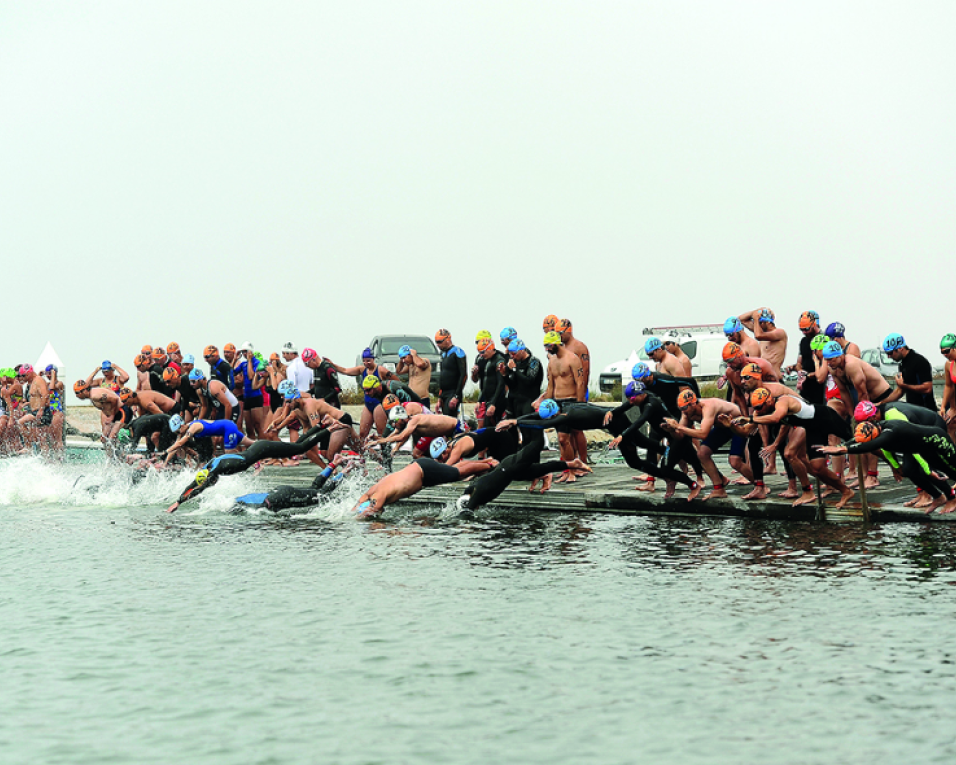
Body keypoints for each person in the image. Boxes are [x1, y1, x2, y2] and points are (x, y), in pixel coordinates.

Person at [166, 423, 333, 512]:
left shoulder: (217, 470)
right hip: (258, 449)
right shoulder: (212, 465)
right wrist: (178, 501)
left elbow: (197, 488)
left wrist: (180, 501)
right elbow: (195, 485)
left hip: (261, 449)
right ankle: (320, 426)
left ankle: (330, 428)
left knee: (300, 449)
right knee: (297, 446)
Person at [458, 400, 591, 507]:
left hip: (511, 466)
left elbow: (466, 513)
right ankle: (572, 463)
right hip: (510, 467)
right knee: (535, 468)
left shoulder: (476, 497)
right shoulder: (472, 489)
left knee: (537, 442)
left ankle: (539, 413)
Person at [818, 420, 956, 514]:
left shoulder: (890, 432)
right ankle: (938, 497)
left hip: (937, 441)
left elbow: (869, 445)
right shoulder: (875, 430)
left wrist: (844, 450)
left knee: (950, 470)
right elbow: (858, 441)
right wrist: (837, 447)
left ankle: (952, 498)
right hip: (918, 449)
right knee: (909, 471)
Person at [749, 387, 855, 508]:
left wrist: (751, 419)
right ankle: (846, 491)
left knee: (858, 441)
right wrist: (732, 424)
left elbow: (776, 418)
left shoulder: (782, 402)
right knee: (817, 468)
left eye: (758, 408)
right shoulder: (763, 410)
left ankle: (880, 453)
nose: (757, 411)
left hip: (825, 417)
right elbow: (781, 425)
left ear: (768, 402)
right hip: (813, 429)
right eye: (755, 408)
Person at [607, 381, 702, 500]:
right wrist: (611, 412)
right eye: (629, 399)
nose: (631, 402)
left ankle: (694, 485)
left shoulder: (650, 405)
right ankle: (719, 482)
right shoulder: (641, 398)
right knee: (690, 459)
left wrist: (622, 435)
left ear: (641, 394)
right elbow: (626, 405)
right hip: (672, 437)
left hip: (676, 437)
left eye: (632, 398)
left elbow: (640, 421)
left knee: (668, 468)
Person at [661, 389, 751, 501]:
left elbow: (703, 434)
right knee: (702, 453)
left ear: (693, 403)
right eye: (681, 409)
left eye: (685, 408)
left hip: (736, 424)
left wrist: (678, 427)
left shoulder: (708, 407)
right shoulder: (687, 414)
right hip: (722, 427)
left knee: (734, 461)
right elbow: (680, 436)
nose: (683, 412)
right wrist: (671, 431)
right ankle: (719, 488)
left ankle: (760, 485)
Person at [353, 455, 496, 518]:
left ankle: (490, 465)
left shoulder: (377, 496)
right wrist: (353, 512)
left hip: (423, 472)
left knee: (457, 473)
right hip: (419, 469)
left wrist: (356, 520)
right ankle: (486, 462)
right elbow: (360, 502)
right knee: (452, 471)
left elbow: (373, 511)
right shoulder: (371, 492)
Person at [161, 417, 255, 467]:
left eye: (177, 432)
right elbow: (175, 446)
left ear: (181, 426)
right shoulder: (184, 430)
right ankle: (256, 460)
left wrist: (165, 451)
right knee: (252, 443)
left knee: (228, 454)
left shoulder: (193, 427)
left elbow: (180, 443)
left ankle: (250, 462)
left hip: (228, 428)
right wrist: (165, 462)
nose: (178, 434)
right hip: (226, 428)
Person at [881, 333, 937, 412]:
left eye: (890, 353)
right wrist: (881, 404)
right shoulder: (902, 364)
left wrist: (904, 385)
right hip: (913, 410)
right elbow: (899, 391)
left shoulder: (919, 361)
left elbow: (927, 388)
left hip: (926, 411)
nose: (889, 357)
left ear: (900, 348)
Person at [739, 308, 788, 375]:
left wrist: (756, 319)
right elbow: (741, 320)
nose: (757, 326)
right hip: (762, 376)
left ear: (768, 322)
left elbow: (758, 336)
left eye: (759, 323)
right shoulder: (762, 333)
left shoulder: (780, 333)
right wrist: (756, 312)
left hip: (774, 376)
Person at [503, 339, 543, 418]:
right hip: (518, 402)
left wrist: (515, 369)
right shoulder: (517, 363)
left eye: (514, 354)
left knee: (530, 428)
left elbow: (529, 381)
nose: (512, 356)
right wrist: (504, 375)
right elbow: (513, 386)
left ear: (521, 351)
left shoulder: (533, 361)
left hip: (530, 401)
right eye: (510, 354)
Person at [474, 337, 507, 427]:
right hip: (489, 400)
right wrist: (480, 400)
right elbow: (485, 384)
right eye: (479, 353)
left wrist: (493, 403)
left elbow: (501, 384)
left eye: (482, 352)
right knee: (488, 429)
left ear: (490, 349)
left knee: (495, 428)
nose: (481, 355)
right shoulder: (488, 361)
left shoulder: (499, 360)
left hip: (498, 401)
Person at [435, 329, 467, 420]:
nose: (438, 345)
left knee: (450, 418)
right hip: (444, 391)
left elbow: (463, 374)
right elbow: (443, 376)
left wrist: (457, 395)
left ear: (448, 339)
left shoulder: (457, 351)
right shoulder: (442, 354)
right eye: (436, 342)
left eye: (440, 342)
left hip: (453, 392)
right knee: (444, 419)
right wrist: (439, 398)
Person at [940, 333, 956, 441]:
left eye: (946, 351)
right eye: (942, 352)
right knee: (950, 425)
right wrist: (943, 406)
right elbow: (949, 386)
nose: (945, 355)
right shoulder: (948, 364)